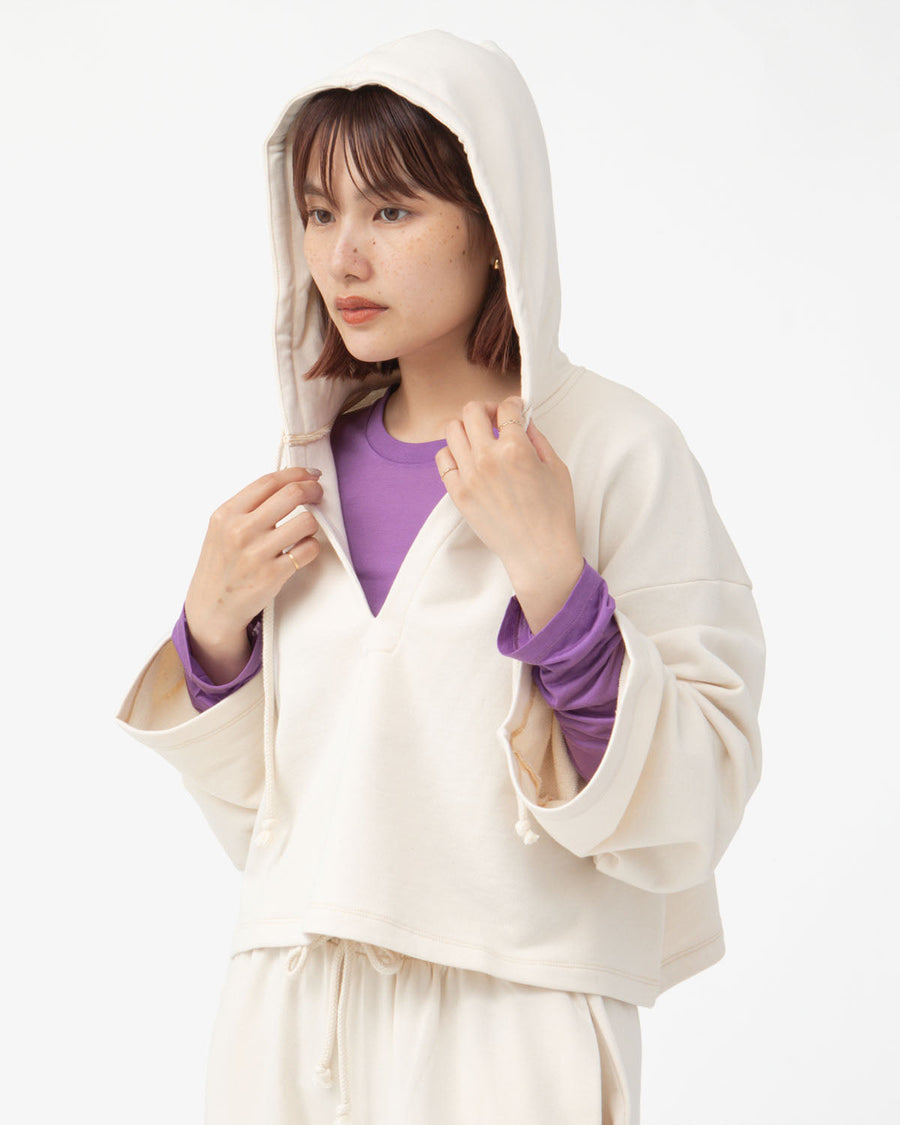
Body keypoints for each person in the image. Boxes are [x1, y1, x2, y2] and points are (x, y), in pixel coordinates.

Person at [116, 29, 765, 1125]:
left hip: (516, 1016)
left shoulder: (615, 451)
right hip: (289, 1017)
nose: (342, 259)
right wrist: (212, 639)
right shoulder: (306, 474)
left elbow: (697, 798)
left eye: (392, 211)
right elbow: (284, 825)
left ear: (496, 226)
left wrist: (554, 579)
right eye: (318, 212)